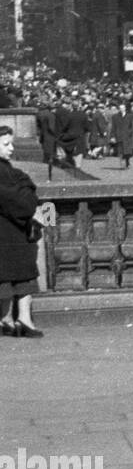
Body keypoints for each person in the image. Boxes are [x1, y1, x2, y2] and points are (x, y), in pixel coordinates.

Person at [0, 126, 43, 338]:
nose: (11, 148)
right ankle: (21, 319)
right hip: (11, 233)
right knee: (21, 276)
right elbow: (22, 198)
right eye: (6, 144)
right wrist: (27, 194)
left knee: (9, 277)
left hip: (11, 232)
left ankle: (9, 320)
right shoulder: (7, 172)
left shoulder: (7, 169)